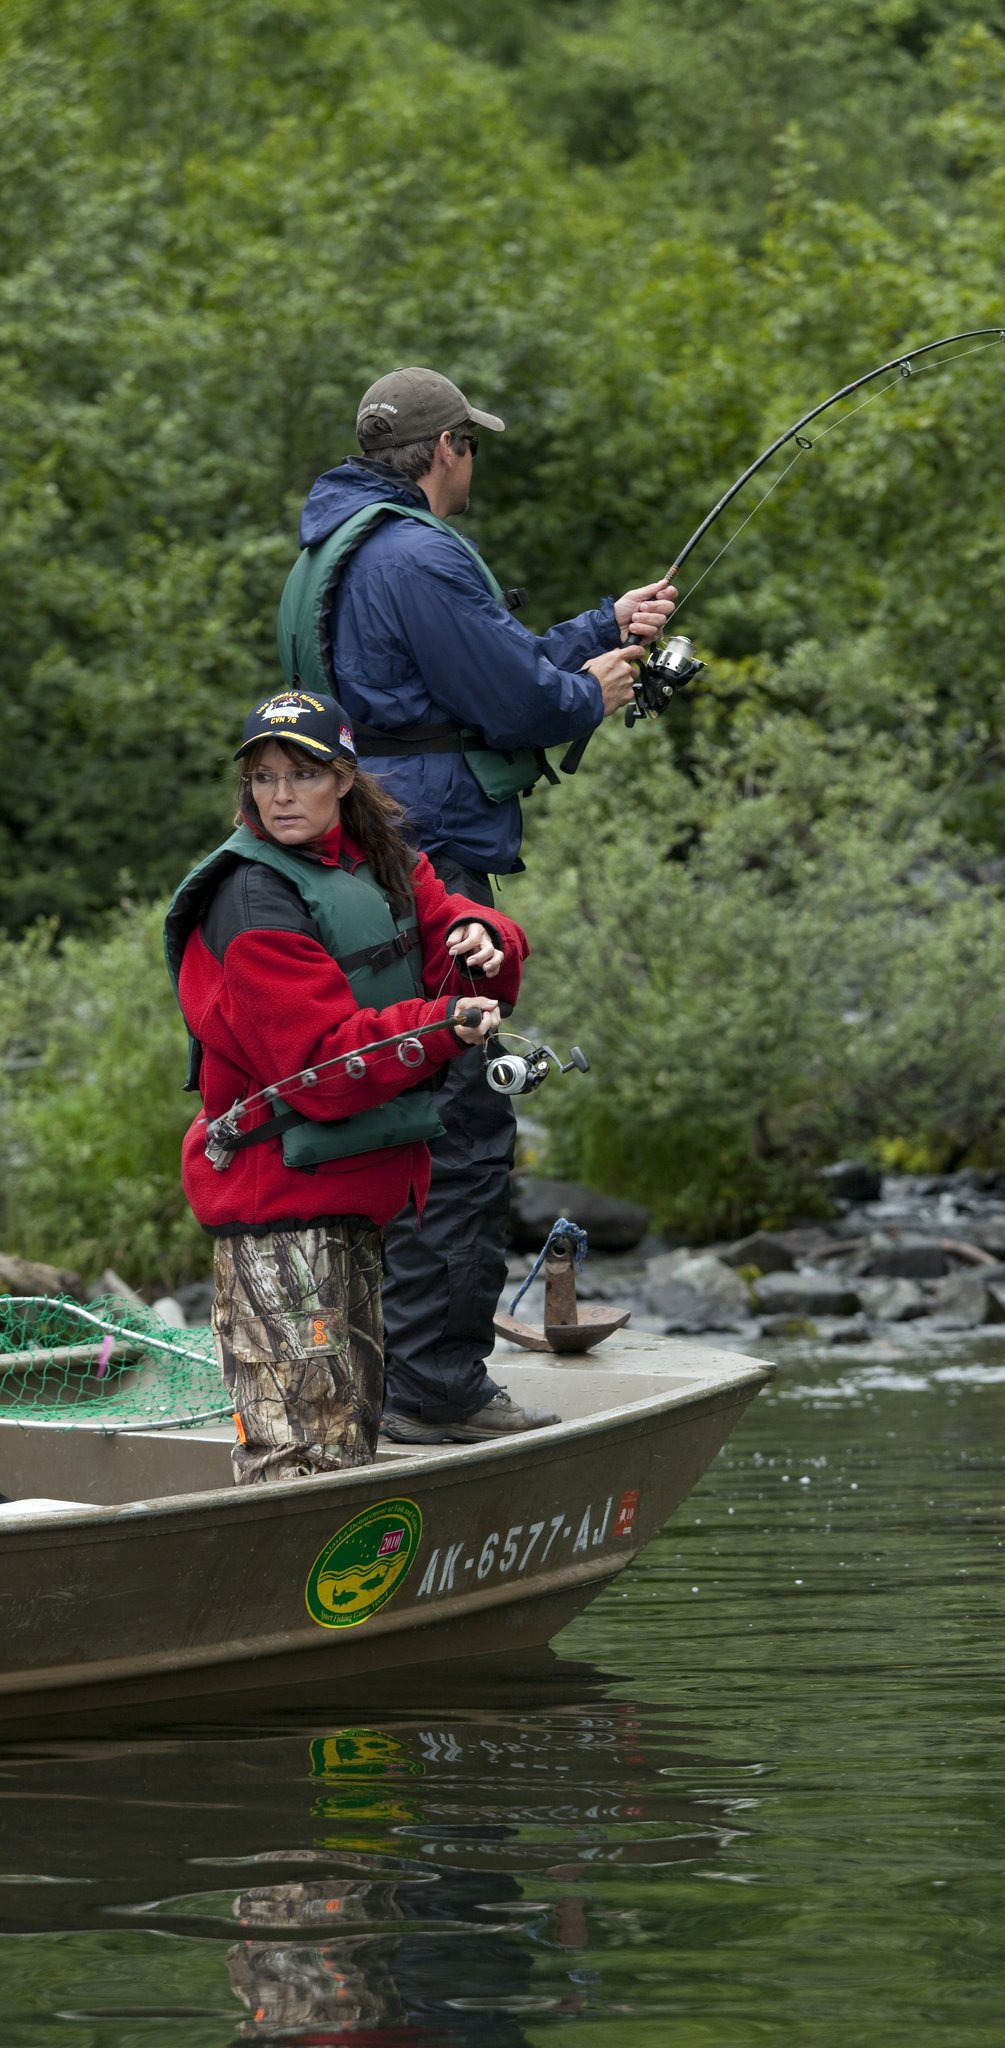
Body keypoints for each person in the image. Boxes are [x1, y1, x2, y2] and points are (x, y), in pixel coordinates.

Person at [278, 365, 676, 1446]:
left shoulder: (336, 547)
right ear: (446, 447)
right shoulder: (420, 554)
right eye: (472, 444)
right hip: (433, 859)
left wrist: (602, 623)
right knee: (461, 1118)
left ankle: (378, 1370)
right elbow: (514, 698)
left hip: (370, 852)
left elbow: (465, 678)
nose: (472, 462)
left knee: (393, 1100)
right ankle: (438, 1387)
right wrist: (589, 692)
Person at [164, 688, 533, 1483]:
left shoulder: (378, 856)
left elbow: (444, 916)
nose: (281, 795)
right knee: (301, 1458)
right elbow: (319, 1068)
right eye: (264, 778)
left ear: (342, 778)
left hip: (354, 1197)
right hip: (279, 1211)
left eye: (302, 774)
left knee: (347, 1443)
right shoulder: (251, 898)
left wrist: (482, 933)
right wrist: (441, 1024)